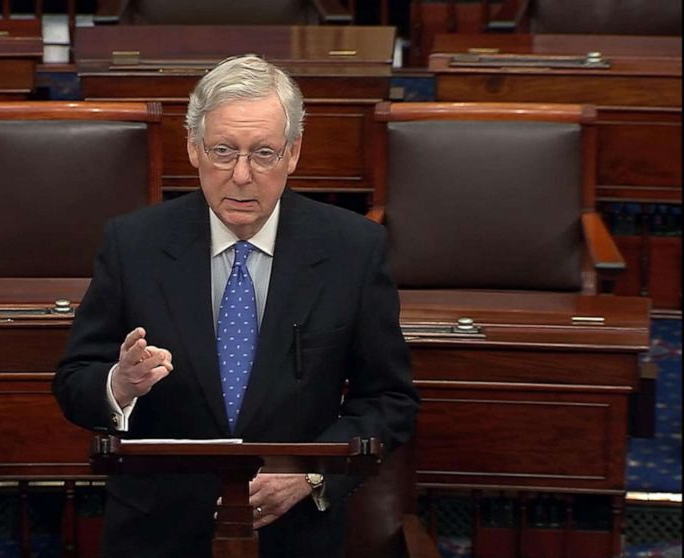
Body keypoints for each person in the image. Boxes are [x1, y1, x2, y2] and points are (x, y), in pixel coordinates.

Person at [54, 54, 419, 558]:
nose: (242, 175)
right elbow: (75, 380)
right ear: (193, 149)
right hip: (157, 530)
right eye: (223, 151)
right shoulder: (133, 243)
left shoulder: (352, 250)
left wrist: (310, 475)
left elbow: (389, 401)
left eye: (263, 153)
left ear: (292, 154)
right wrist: (119, 384)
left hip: (292, 536)